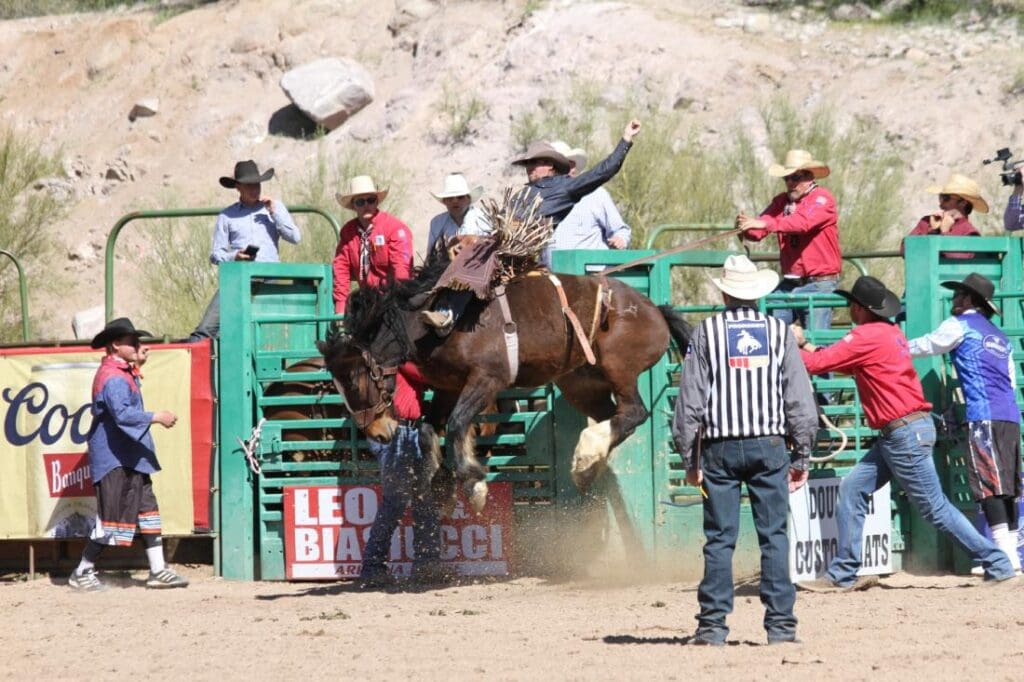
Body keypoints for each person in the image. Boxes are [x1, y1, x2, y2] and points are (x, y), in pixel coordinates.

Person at [791, 276, 1018, 590]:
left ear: (858, 308)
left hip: (901, 433)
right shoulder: (890, 333)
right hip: (905, 430)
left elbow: (817, 364)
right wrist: (805, 346)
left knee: (934, 507)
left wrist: (793, 343)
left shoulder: (864, 336)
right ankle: (843, 572)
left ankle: (997, 561)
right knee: (853, 489)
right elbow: (845, 363)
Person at [672, 255, 818, 646]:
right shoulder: (778, 331)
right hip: (770, 446)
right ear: (757, 291)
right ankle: (781, 627)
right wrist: (802, 456)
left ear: (724, 290)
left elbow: (690, 401)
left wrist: (689, 458)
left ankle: (712, 626)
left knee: (720, 539)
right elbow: (799, 400)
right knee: (774, 535)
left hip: (718, 449)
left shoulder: (706, 333)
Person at [420, 120, 642, 334]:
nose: (530, 168)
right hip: (503, 241)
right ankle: (431, 308)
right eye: (528, 164)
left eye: (535, 163)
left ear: (551, 166)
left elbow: (604, 170)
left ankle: (447, 314)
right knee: (458, 254)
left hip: (520, 249)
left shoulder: (565, 188)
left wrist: (625, 139)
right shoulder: (521, 194)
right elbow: (501, 224)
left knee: (479, 259)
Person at [906, 273, 1022, 574]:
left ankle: (1003, 558)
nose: (954, 300)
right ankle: (1009, 553)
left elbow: (930, 345)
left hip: (983, 414)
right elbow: (1009, 380)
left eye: (958, 294)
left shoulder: (960, 325)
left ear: (968, 300)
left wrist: (894, 348)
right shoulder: (999, 336)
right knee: (1007, 486)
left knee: (989, 485)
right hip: (1009, 415)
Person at [68, 318, 189, 592]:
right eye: (132, 341)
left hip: (129, 456)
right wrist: (156, 416)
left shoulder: (119, 372)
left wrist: (137, 365)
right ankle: (82, 570)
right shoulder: (112, 378)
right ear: (115, 345)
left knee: (148, 511)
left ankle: (158, 570)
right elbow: (122, 414)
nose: (138, 345)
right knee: (109, 518)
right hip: (115, 458)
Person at [189, 160, 301, 341]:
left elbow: (295, 237)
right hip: (238, 280)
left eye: (257, 184)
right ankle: (204, 365)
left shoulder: (274, 208)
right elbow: (216, 254)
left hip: (270, 279)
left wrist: (275, 212)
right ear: (238, 187)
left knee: (269, 335)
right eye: (249, 185)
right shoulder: (227, 215)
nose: (254, 189)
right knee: (206, 329)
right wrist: (235, 256)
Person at [358, 362, 446, 588]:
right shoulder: (399, 361)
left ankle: (417, 565)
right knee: (400, 501)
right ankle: (377, 567)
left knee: (413, 500)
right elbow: (430, 374)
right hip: (397, 428)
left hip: (405, 429)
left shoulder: (387, 359)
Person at [737, 149, 841, 332]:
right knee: (768, 326)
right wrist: (746, 227)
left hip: (820, 284)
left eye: (796, 178)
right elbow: (760, 229)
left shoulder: (822, 199)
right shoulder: (781, 202)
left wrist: (762, 224)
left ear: (809, 178)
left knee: (815, 340)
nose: (790, 183)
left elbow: (802, 223)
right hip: (791, 283)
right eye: (787, 178)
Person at [332, 175, 414, 315]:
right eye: (360, 202)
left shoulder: (395, 229)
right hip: (367, 300)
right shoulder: (348, 232)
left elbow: (401, 270)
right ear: (353, 205)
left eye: (370, 200)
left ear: (377, 202)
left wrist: (396, 303)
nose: (366, 205)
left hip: (394, 298)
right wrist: (340, 308)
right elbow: (341, 270)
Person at [548, 142, 631, 251]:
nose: (571, 169)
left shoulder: (596, 194)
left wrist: (620, 239)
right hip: (550, 268)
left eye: (571, 164)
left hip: (590, 267)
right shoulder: (541, 199)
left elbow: (621, 230)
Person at [901, 173, 986, 260]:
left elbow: (961, 261)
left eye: (946, 198)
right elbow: (905, 250)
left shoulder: (969, 232)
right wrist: (932, 231)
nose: (940, 205)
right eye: (940, 197)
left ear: (963, 203)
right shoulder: (928, 221)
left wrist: (945, 232)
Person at [425, 173, 490, 254]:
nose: (455, 201)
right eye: (450, 198)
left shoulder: (483, 218)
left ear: (468, 199)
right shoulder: (437, 223)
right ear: (444, 201)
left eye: (460, 197)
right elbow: (431, 256)